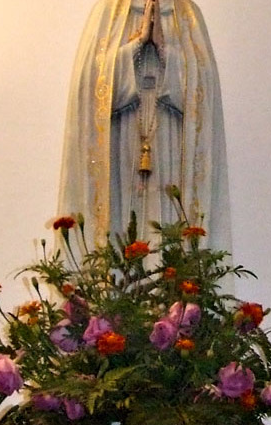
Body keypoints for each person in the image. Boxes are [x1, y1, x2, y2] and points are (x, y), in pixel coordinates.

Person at [58, 0, 231, 253]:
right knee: (121, 229)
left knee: (168, 232)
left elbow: (203, 96)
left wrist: (164, 51)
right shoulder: (108, 14)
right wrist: (136, 46)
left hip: (170, 144)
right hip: (122, 143)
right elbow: (89, 88)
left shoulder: (189, 17)